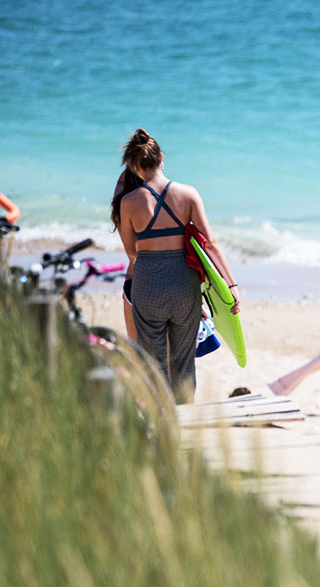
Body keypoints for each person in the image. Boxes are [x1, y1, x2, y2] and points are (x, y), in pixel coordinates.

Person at [116, 128, 240, 404]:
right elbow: (210, 244)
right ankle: (184, 418)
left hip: (147, 286)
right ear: (161, 157)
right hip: (184, 285)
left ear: (135, 166)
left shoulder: (128, 202)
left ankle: (162, 425)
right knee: (183, 362)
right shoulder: (188, 193)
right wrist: (230, 285)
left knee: (154, 362)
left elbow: (131, 251)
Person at [110, 168, 144, 341]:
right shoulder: (153, 213)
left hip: (131, 283)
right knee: (167, 359)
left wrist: (133, 165)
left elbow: (120, 184)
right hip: (154, 284)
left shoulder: (120, 212)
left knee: (138, 354)